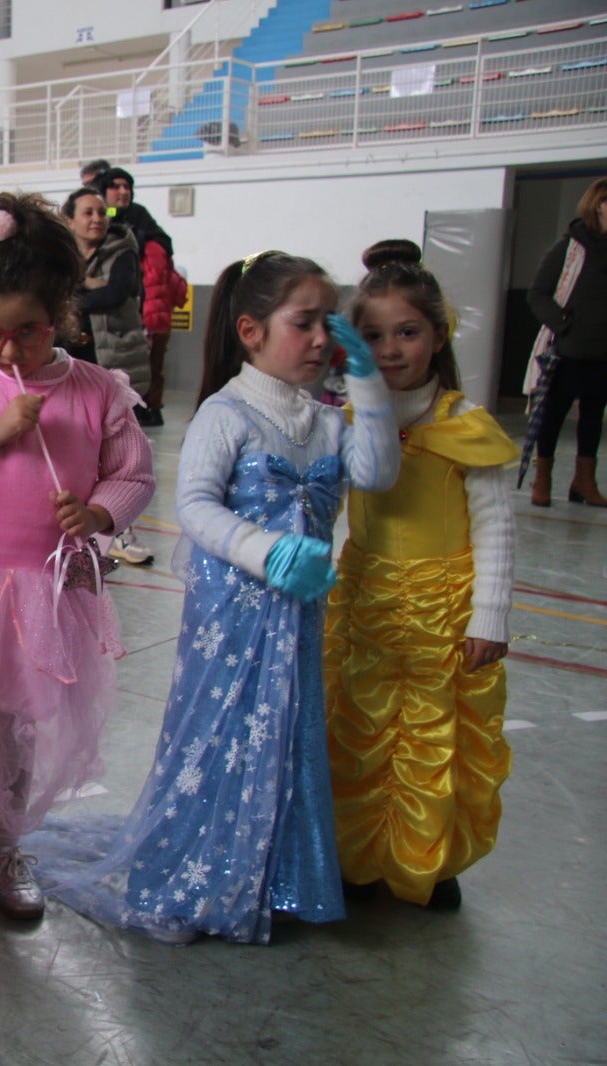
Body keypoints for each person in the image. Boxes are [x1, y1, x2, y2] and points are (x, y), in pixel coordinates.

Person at [53, 251, 399, 946]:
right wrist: (267, 551)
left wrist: (369, 386)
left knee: (287, 732)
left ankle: (275, 874)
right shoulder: (227, 413)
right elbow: (198, 508)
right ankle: (204, 871)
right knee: (222, 736)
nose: (320, 341)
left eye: (327, 326)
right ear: (250, 330)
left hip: (298, 620)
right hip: (232, 617)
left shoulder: (329, 420)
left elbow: (379, 472)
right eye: (303, 324)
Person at [0, 193, 155, 924]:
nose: (9, 350)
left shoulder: (94, 390)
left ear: (62, 315)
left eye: (29, 331)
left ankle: (6, 848)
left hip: (45, 592)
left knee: (18, 726)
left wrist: (102, 512)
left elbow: (133, 472)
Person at [325, 240, 518, 912]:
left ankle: (425, 861)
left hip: (444, 608)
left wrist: (489, 615)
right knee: (359, 729)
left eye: (407, 332)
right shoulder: (349, 419)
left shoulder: (465, 425)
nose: (390, 349)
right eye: (372, 335)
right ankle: (360, 855)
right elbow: (342, 517)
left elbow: (495, 525)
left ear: (438, 337)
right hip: (366, 600)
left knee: (433, 739)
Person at [62, 186, 155, 568]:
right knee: (82, 452)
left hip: (116, 359)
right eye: (88, 213)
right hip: (80, 357)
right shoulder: (64, 257)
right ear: (70, 220)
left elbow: (114, 295)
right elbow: (65, 297)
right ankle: (86, 526)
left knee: (123, 452)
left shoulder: (123, 252)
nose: (98, 219)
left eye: (102, 212)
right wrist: (85, 288)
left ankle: (121, 528)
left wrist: (75, 293)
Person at [526, 177, 607, 507]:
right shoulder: (570, 248)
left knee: (592, 419)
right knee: (553, 416)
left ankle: (584, 482)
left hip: (603, 352)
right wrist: (563, 324)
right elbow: (537, 294)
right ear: (598, 205)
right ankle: (541, 480)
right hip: (567, 349)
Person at [99, 167, 181, 427]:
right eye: (116, 187)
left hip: (143, 304)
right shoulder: (99, 217)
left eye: (127, 187)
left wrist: (139, 237)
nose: (123, 192)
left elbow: (164, 243)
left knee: (150, 360)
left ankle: (150, 407)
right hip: (107, 308)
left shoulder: (139, 215)